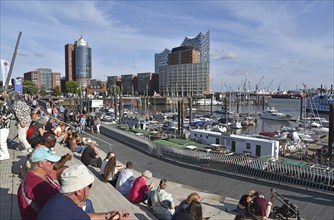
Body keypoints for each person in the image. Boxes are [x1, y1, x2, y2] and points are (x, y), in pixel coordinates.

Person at [37, 164, 130, 220]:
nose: (90, 189)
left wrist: (108, 215)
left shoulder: (57, 200)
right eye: (89, 186)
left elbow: (83, 216)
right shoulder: (72, 211)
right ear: (78, 191)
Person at [17, 148, 61, 220]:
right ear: (41, 164)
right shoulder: (40, 186)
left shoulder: (38, 175)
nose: (54, 163)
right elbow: (55, 210)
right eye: (51, 162)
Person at [0, 95, 12, 160]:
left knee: (2, 141)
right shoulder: (2, 106)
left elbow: (10, 113)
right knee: (1, 141)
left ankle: (5, 155)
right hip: (2, 126)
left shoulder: (5, 106)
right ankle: (2, 154)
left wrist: (3, 118)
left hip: (5, 125)